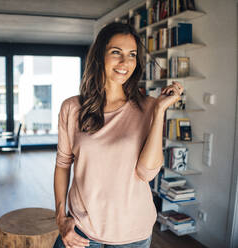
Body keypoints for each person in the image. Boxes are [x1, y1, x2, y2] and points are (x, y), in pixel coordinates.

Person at [53, 22, 184, 248]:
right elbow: (63, 164)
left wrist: (160, 111)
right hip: (81, 230)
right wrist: (60, 218)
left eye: (132, 55)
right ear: (99, 56)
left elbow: (147, 173)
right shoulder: (72, 108)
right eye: (116, 53)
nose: (125, 62)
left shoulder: (149, 107)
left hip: (133, 234)